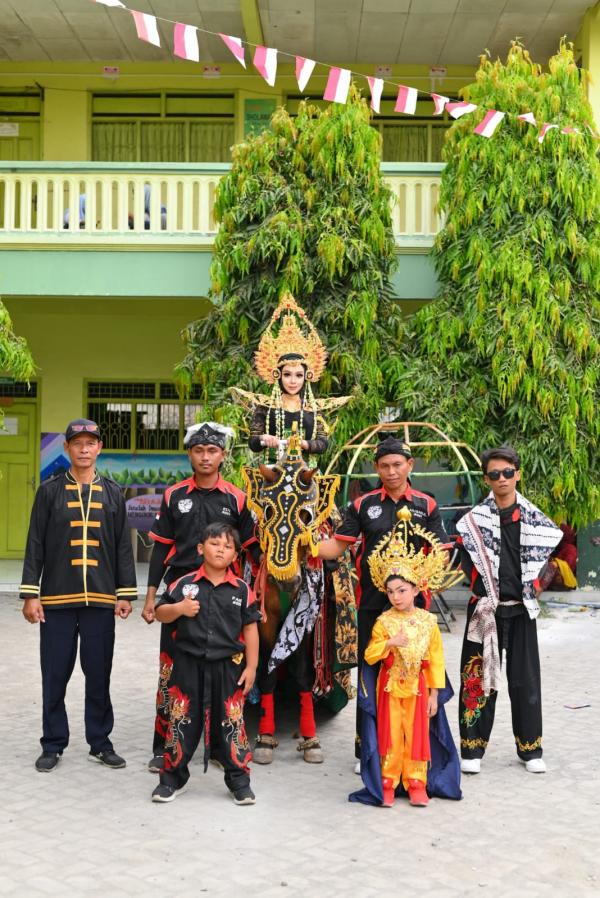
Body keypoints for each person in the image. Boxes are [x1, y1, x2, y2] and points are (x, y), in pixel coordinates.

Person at [318, 436, 451, 773]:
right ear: (376, 468)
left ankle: (418, 749)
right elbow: (337, 547)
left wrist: (431, 578)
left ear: (410, 465)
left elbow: (441, 551)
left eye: (398, 464)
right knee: (371, 673)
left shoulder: (427, 505)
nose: (392, 471)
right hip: (373, 606)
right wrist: (302, 547)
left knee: (415, 673)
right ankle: (367, 749)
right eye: (384, 465)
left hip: (414, 609)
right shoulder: (362, 506)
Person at [141, 421, 260, 773]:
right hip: (182, 592)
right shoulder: (174, 495)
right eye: (198, 450)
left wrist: (257, 598)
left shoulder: (236, 497)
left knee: (225, 670)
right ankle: (165, 746)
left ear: (223, 455)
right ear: (190, 455)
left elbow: (253, 552)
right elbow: (161, 550)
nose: (205, 457)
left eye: (212, 451)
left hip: (226, 595)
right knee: (172, 669)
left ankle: (224, 749)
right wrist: (151, 598)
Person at [20, 418, 136, 772]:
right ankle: (53, 743)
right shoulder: (49, 490)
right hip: (55, 600)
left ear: (99, 448)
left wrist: (125, 593)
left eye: (91, 443)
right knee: (55, 673)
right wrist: (30, 594)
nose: (84, 449)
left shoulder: (114, 492)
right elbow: (35, 542)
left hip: (101, 600)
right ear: (67, 448)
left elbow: (121, 547)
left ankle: (100, 742)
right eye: (78, 443)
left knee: (99, 672)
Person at [456, 445, 562, 775]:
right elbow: (463, 566)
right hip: (484, 612)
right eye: (494, 474)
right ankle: (472, 750)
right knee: (475, 679)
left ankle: (531, 751)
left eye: (507, 472)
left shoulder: (535, 519)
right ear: (486, 478)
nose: (501, 479)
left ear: (517, 473)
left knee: (525, 681)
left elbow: (554, 563)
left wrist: (536, 589)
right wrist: (482, 591)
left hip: (521, 611)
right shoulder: (472, 522)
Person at [349, 508, 462, 808]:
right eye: (390, 591)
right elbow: (370, 656)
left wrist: (435, 694)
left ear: (416, 589)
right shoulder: (383, 621)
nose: (396, 597)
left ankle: (416, 782)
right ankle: (387, 781)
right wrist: (389, 642)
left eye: (402, 590)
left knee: (417, 735)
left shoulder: (427, 621)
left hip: (418, 687)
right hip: (387, 689)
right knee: (390, 736)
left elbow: (436, 659)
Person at [150, 523, 261, 805]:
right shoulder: (183, 585)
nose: (220, 549)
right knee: (181, 722)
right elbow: (160, 612)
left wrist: (251, 668)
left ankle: (239, 781)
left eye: (227, 546)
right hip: (188, 665)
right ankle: (172, 779)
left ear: (236, 555)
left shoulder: (242, 589)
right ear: (201, 549)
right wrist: (180, 609)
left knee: (232, 724)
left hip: (228, 668)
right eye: (214, 544)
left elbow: (250, 630)